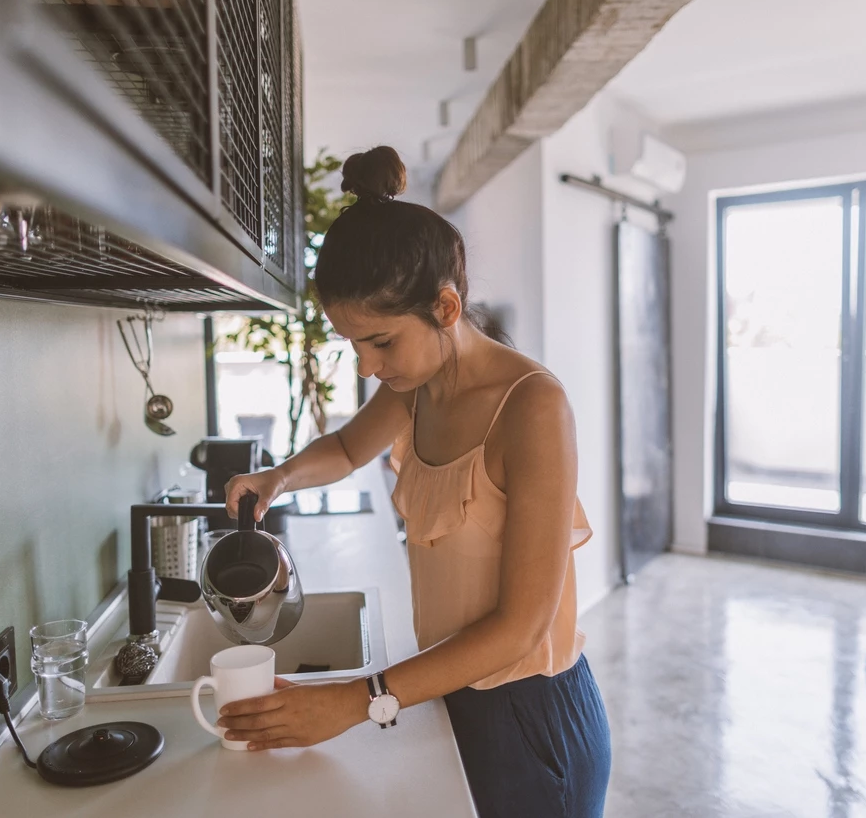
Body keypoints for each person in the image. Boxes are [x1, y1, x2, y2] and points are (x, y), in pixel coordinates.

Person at [219, 146, 611, 817]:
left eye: (381, 341)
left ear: (447, 306)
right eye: (352, 345)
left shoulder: (533, 408)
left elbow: (522, 626)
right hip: (447, 686)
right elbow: (346, 447)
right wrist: (279, 476)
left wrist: (355, 700)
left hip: (530, 717)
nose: (369, 368)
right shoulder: (420, 384)